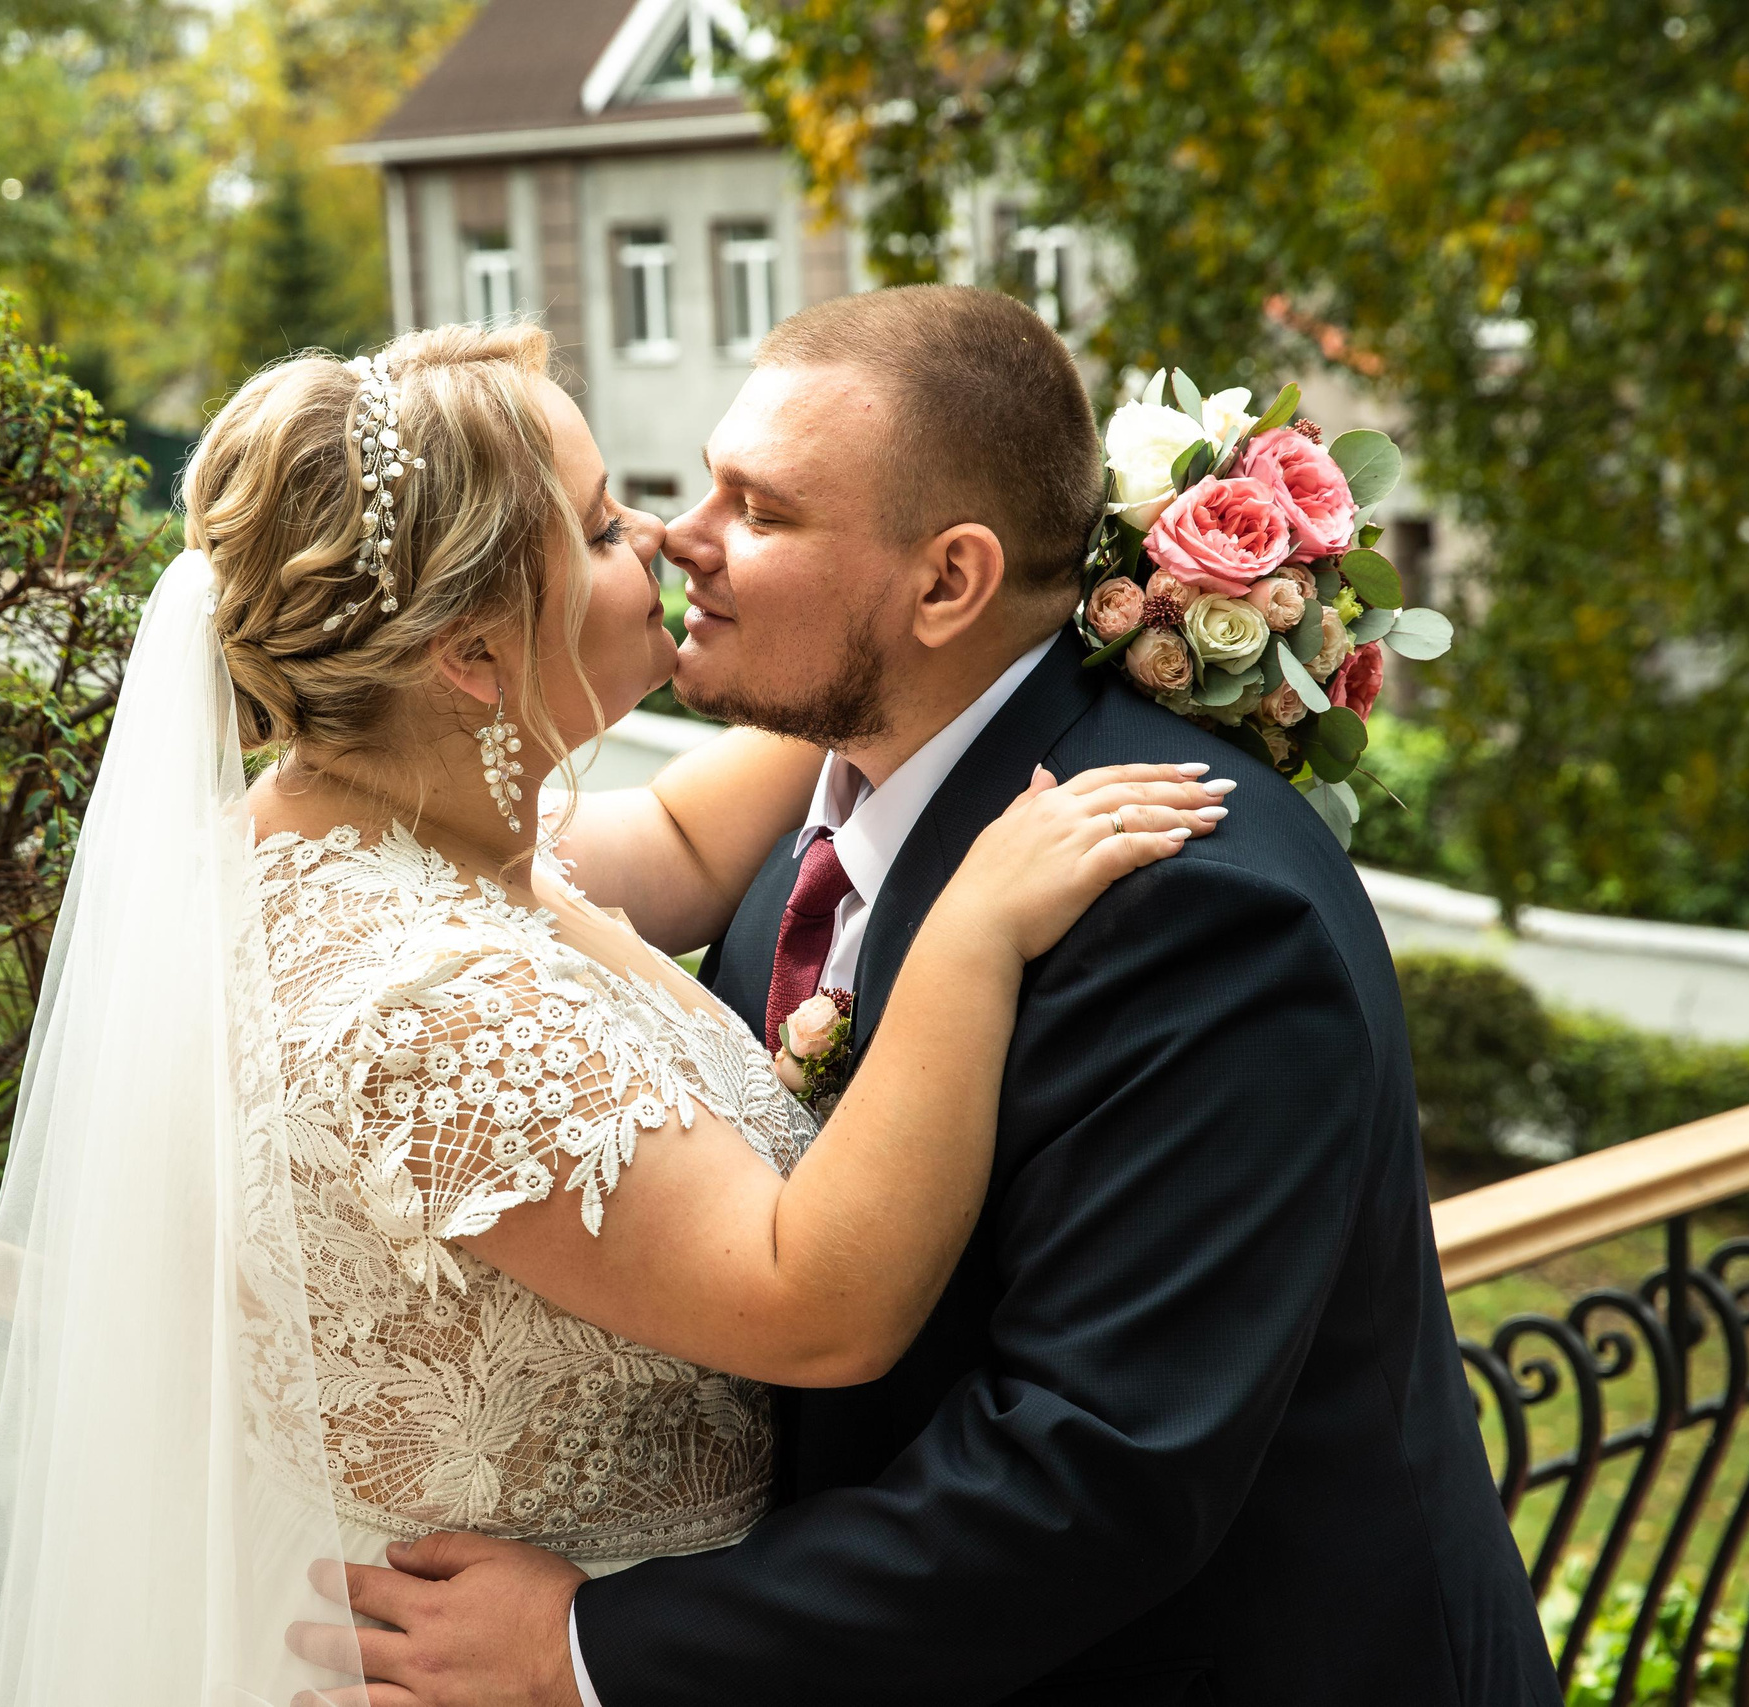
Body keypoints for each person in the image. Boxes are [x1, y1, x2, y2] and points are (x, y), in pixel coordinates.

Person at [0, 316, 1228, 1706]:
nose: (664, 540)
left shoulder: (371, 837)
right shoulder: (424, 1008)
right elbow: (815, 1300)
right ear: (477, 658)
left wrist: (1009, 618)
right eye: (605, 530)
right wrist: (974, 925)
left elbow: (674, 836)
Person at [301, 288, 1562, 1705]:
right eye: (693, 488)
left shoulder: (1194, 909)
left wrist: (591, 1652)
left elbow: (1091, 1472)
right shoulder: (833, 797)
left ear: (950, 584)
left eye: (760, 512)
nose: (680, 540)